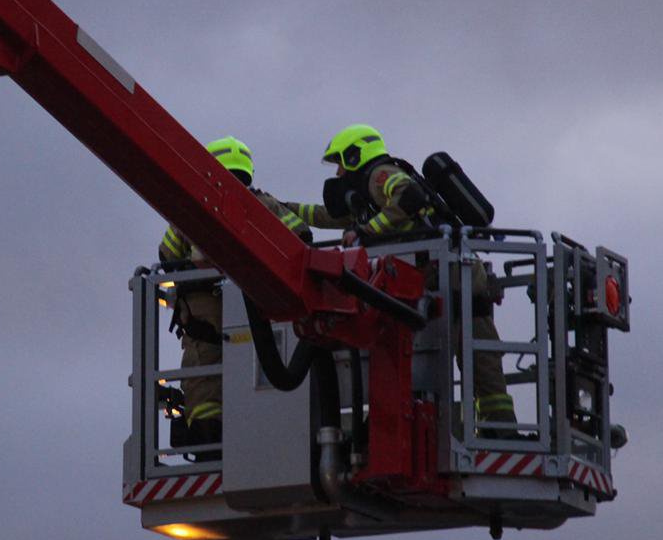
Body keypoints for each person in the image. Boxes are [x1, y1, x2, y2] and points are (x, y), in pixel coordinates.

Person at [285, 123, 518, 431]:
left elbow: (408, 195)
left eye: (341, 161)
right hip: (434, 279)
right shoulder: (366, 195)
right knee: (425, 359)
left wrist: (366, 232)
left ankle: (500, 429)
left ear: (356, 155)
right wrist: (284, 208)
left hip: (456, 277)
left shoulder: (380, 175)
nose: (339, 172)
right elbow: (327, 216)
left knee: (480, 361)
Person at [159, 136, 310, 454]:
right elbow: (301, 236)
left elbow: (168, 254)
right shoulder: (263, 204)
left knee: (203, 375)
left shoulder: (192, 205)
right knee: (257, 370)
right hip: (262, 307)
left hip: (205, 310)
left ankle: (208, 443)